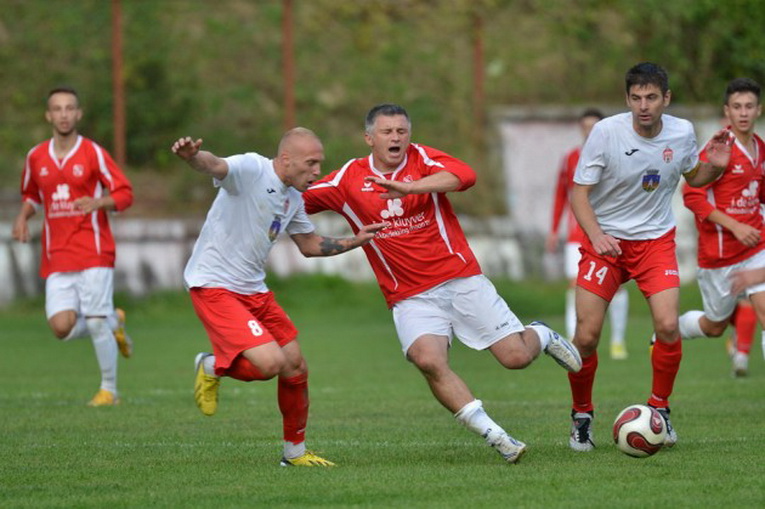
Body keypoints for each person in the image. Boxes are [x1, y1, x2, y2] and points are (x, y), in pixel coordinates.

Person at [302, 103, 582, 464]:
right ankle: (495, 436)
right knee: (427, 359)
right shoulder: (347, 180)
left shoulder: (422, 160)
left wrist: (409, 187)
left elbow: (464, 176)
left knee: (515, 358)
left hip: (459, 278)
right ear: (369, 138)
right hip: (409, 295)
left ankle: (540, 335)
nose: (396, 138)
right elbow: (296, 199)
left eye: (402, 131)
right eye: (387, 132)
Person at [171, 128, 384, 468]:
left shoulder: (293, 198)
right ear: (287, 159)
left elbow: (310, 246)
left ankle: (294, 454)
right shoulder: (253, 169)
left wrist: (355, 241)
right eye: (311, 163)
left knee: (296, 366)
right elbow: (216, 165)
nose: (317, 172)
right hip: (214, 285)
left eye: (320, 164)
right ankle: (210, 365)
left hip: (254, 289)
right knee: (270, 364)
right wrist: (193, 157)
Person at [568, 62, 733, 451]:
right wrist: (597, 234)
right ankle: (581, 416)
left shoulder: (682, 131)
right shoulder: (606, 133)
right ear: (627, 100)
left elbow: (694, 177)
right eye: (636, 98)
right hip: (605, 243)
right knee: (586, 337)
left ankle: (660, 408)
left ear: (666, 99)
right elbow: (579, 194)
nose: (644, 106)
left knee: (668, 326)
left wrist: (716, 168)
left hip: (655, 242)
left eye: (652, 97)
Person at [12, 86, 133, 407]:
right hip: (57, 256)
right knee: (61, 327)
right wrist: (23, 217)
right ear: (48, 115)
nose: (64, 114)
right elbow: (31, 195)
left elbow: (124, 193)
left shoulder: (93, 153)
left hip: (94, 250)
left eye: (69, 108)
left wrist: (99, 201)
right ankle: (113, 321)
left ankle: (110, 390)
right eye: (57, 108)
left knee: (93, 320)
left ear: (78, 114)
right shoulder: (36, 157)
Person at [678, 77, 765, 377]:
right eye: (737, 106)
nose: (743, 112)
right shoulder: (718, 149)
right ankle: (670, 330)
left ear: (758, 110)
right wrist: (735, 226)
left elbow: (759, 195)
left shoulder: (760, 149)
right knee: (714, 325)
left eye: (749, 106)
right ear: (727, 111)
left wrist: (749, 226)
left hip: (756, 247)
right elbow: (691, 195)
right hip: (719, 255)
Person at [546, 108, 630, 360]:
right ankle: (573, 341)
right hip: (577, 234)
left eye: (594, 127)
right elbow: (563, 194)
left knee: (617, 288)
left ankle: (617, 340)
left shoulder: (618, 155)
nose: (589, 132)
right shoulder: (571, 157)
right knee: (577, 285)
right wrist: (553, 230)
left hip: (611, 230)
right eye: (585, 127)